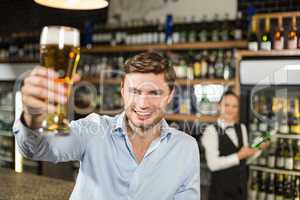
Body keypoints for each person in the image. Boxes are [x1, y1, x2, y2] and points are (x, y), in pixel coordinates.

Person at [13, 52, 200, 200]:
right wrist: (32, 117)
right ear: (122, 90)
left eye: (154, 93)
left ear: (170, 95)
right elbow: (37, 149)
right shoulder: (93, 129)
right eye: (134, 91)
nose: (142, 103)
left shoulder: (186, 147)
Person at [201, 91, 262, 200]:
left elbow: (245, 159)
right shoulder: (210, 131)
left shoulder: (242, 128)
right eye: (227, 105)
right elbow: (213, 164)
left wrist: (258, 150)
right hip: (220, 193)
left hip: (241, 191)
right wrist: (238, 156)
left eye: (234, 106)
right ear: (219, 106)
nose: (230, 109)